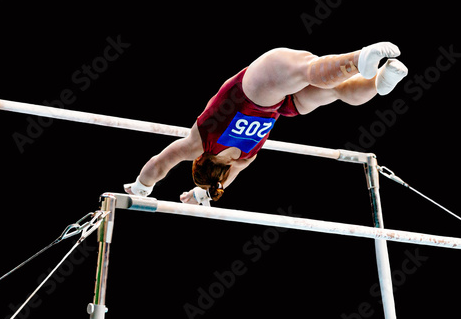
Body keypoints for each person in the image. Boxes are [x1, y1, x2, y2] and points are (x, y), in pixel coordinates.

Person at [124, 42, 408, 205]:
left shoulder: (242, 161)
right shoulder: (199, 143)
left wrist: (202, 195)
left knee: (335, 91)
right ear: (197, 160)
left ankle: (378, 82)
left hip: (283, 107)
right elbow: (160, 163)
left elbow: (224, 180)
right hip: (256, 91)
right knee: (307, 70)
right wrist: (140, 187)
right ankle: (360, 60)